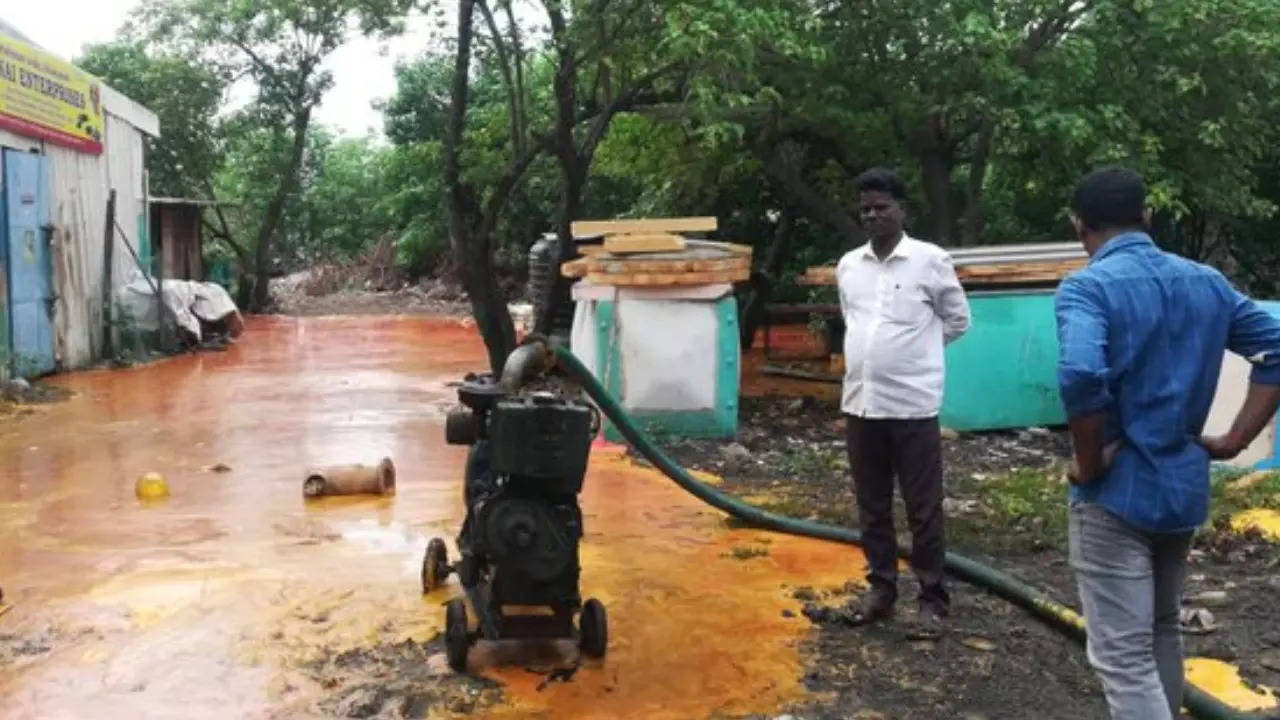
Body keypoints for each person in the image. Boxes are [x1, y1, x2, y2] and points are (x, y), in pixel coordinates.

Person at [1056, 166, 1280, 719]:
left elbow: (1082, 373)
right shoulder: (1205, 282)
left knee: (1124, 657)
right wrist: (1233, 439)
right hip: (1181, 486)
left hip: (1115, 495)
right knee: (1160, 629)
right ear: (1147, 217)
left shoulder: (1088, 287)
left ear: (1078, 226)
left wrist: (1087, 463)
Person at [835, 168, 971, 637]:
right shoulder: (849, 265)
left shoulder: (929, 261)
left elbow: (957, 321)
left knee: (923, 507)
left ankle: (932, 598)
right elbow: (853, 321)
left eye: (881, 207)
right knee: (871, 504)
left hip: (912, 405)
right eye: (866, 208)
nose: (872, 215)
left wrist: (917, 356)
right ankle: (881, 589)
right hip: (862, 405)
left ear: (902, 210)